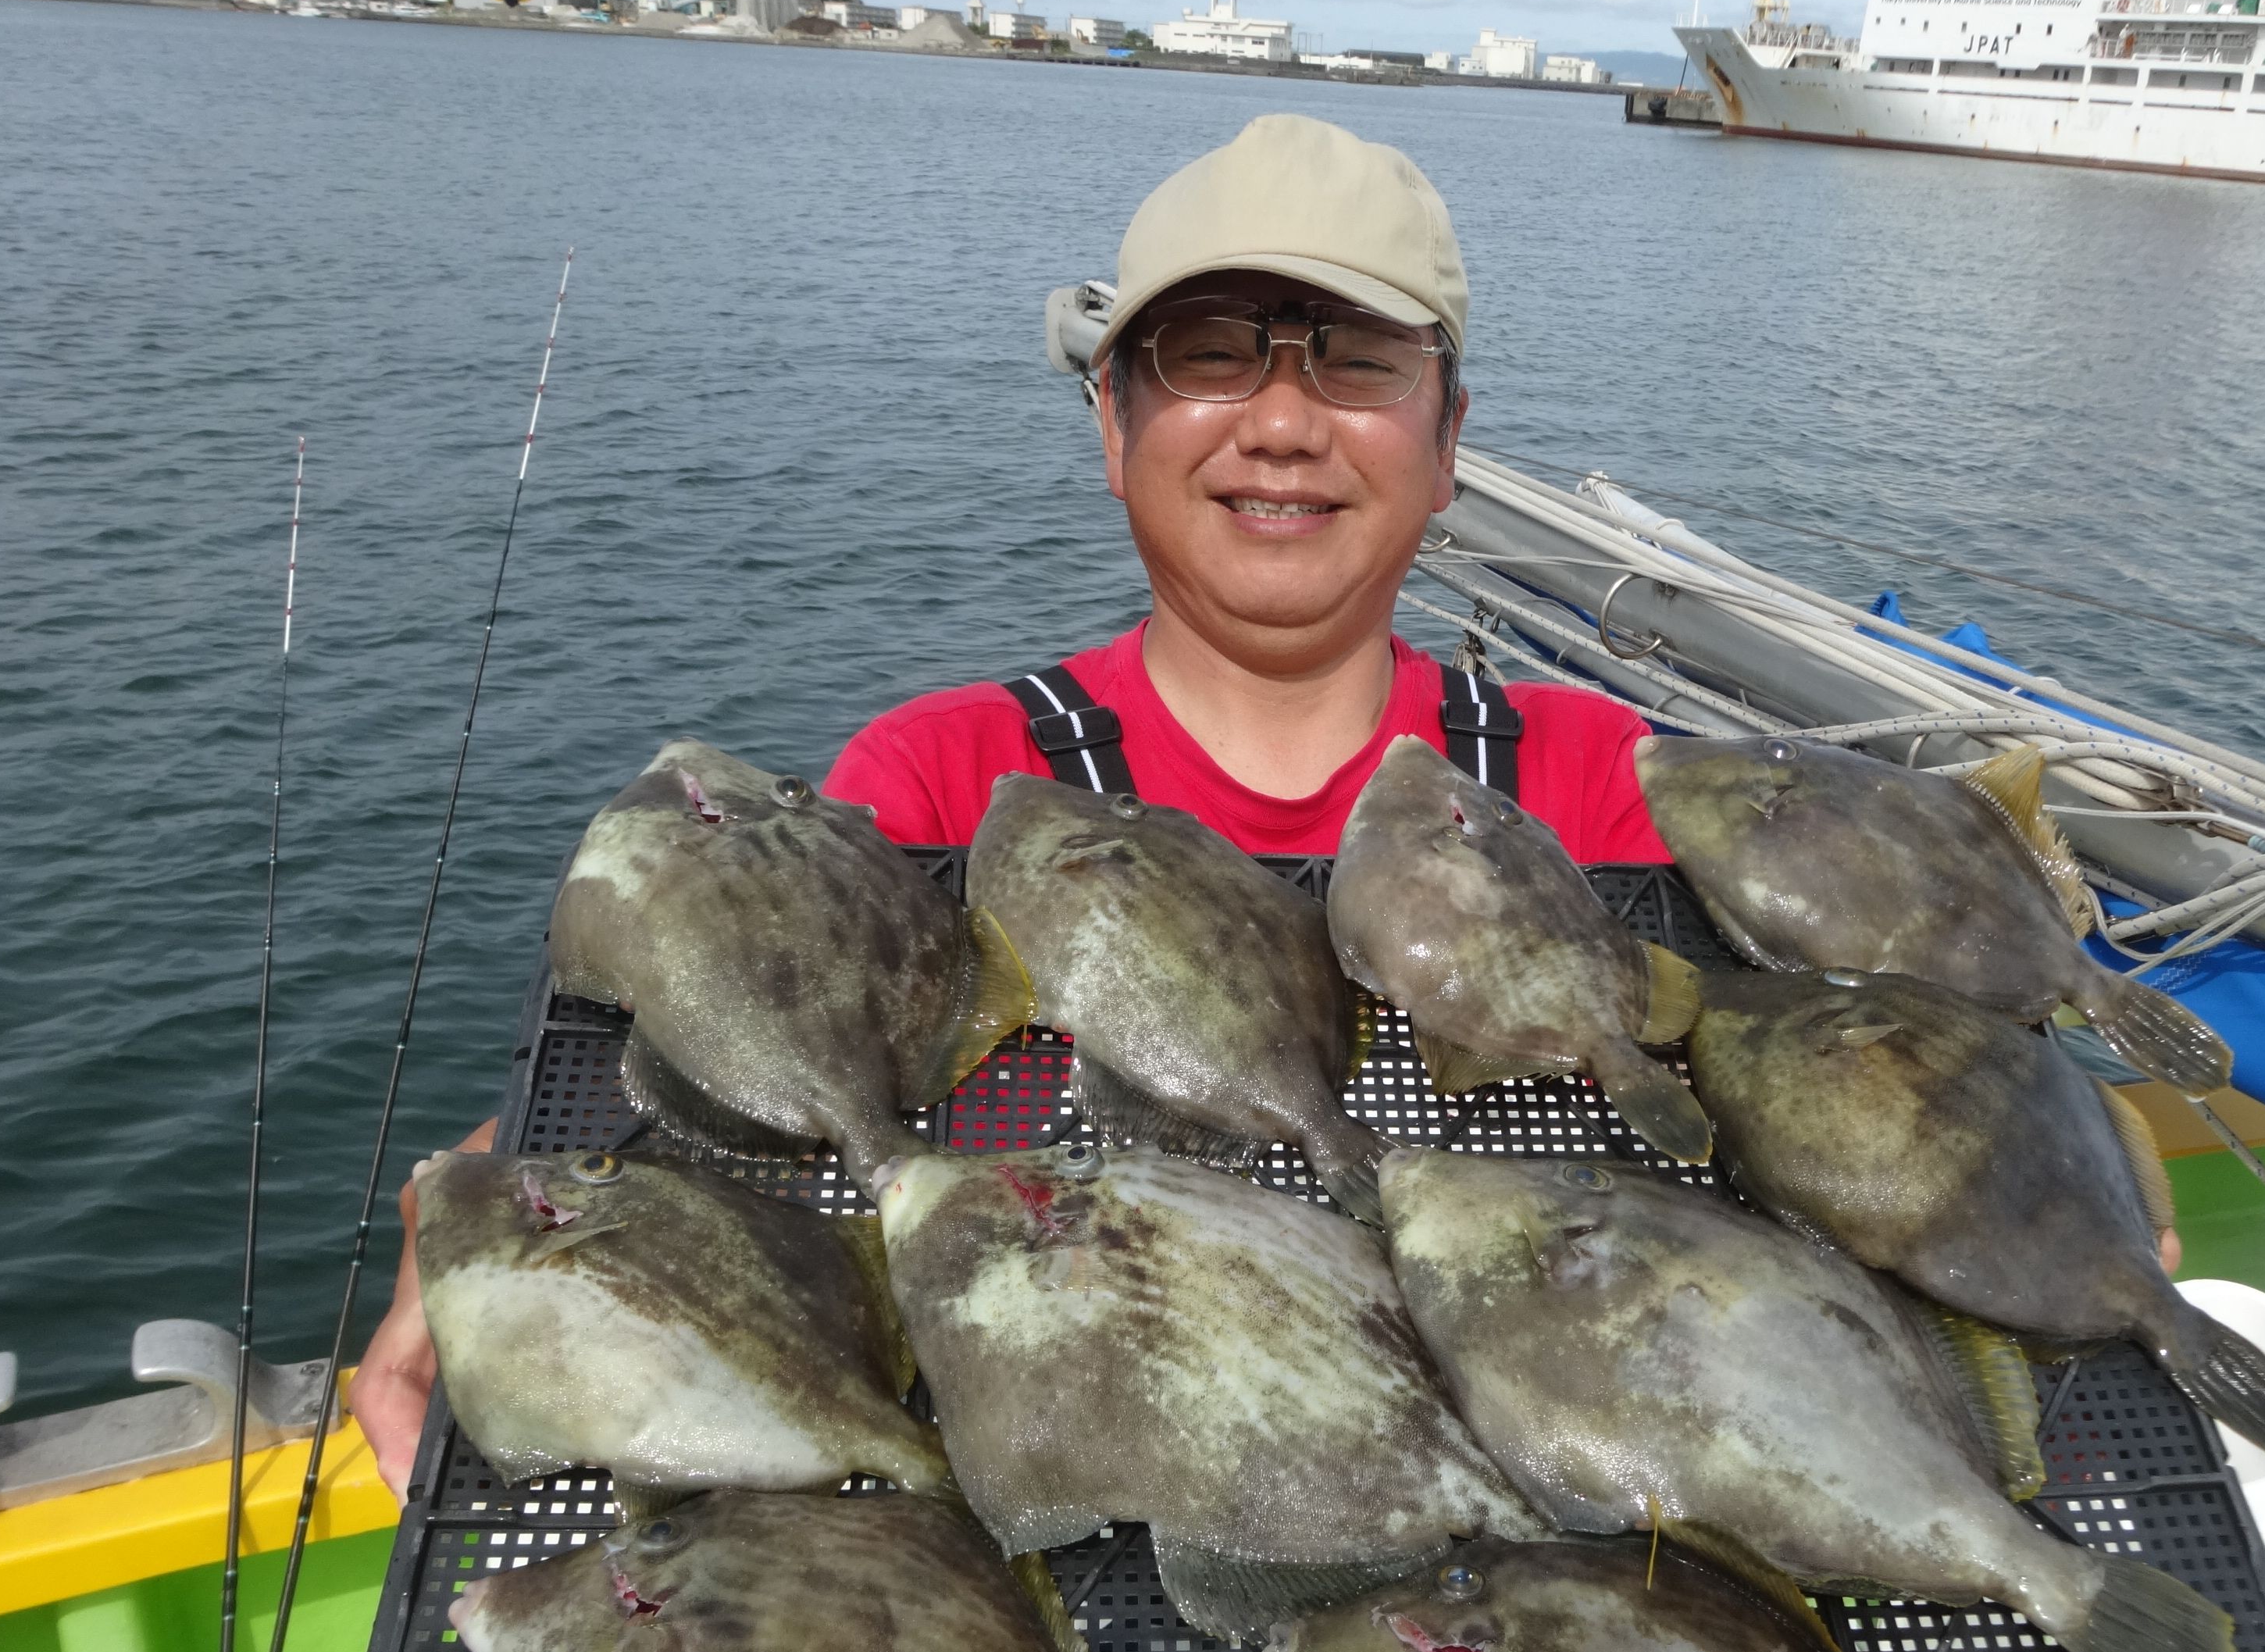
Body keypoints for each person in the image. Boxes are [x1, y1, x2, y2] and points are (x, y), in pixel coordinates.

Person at [350, 114, 2174, 1493]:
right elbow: (764, 1061)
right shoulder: (939, 777)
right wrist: (512, 1209)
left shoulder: (1611, 786)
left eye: (1356, 361)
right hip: (1110, 1463)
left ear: (1448, 443)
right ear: (1113, 423)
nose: (1283, 423)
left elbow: (1911, 1056)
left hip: (1605, 1481)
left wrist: (2075, 1186)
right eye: (1214, 352)